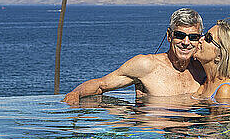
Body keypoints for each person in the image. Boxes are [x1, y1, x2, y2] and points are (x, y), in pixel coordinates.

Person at [63, 8, 206, 105]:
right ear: (169, 36)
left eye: (193, 37)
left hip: (191, 138)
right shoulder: (146, 66)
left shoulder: (202, 70)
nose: (186, 42)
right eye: (180, 35)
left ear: (199, 39)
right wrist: (76, 93)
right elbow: (101, 84)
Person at [192, 18, 230, 104]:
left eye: (208, 38)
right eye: (204, 35)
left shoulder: (225, 91)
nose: (200, 39)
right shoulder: (206, 81)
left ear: (220, 55)